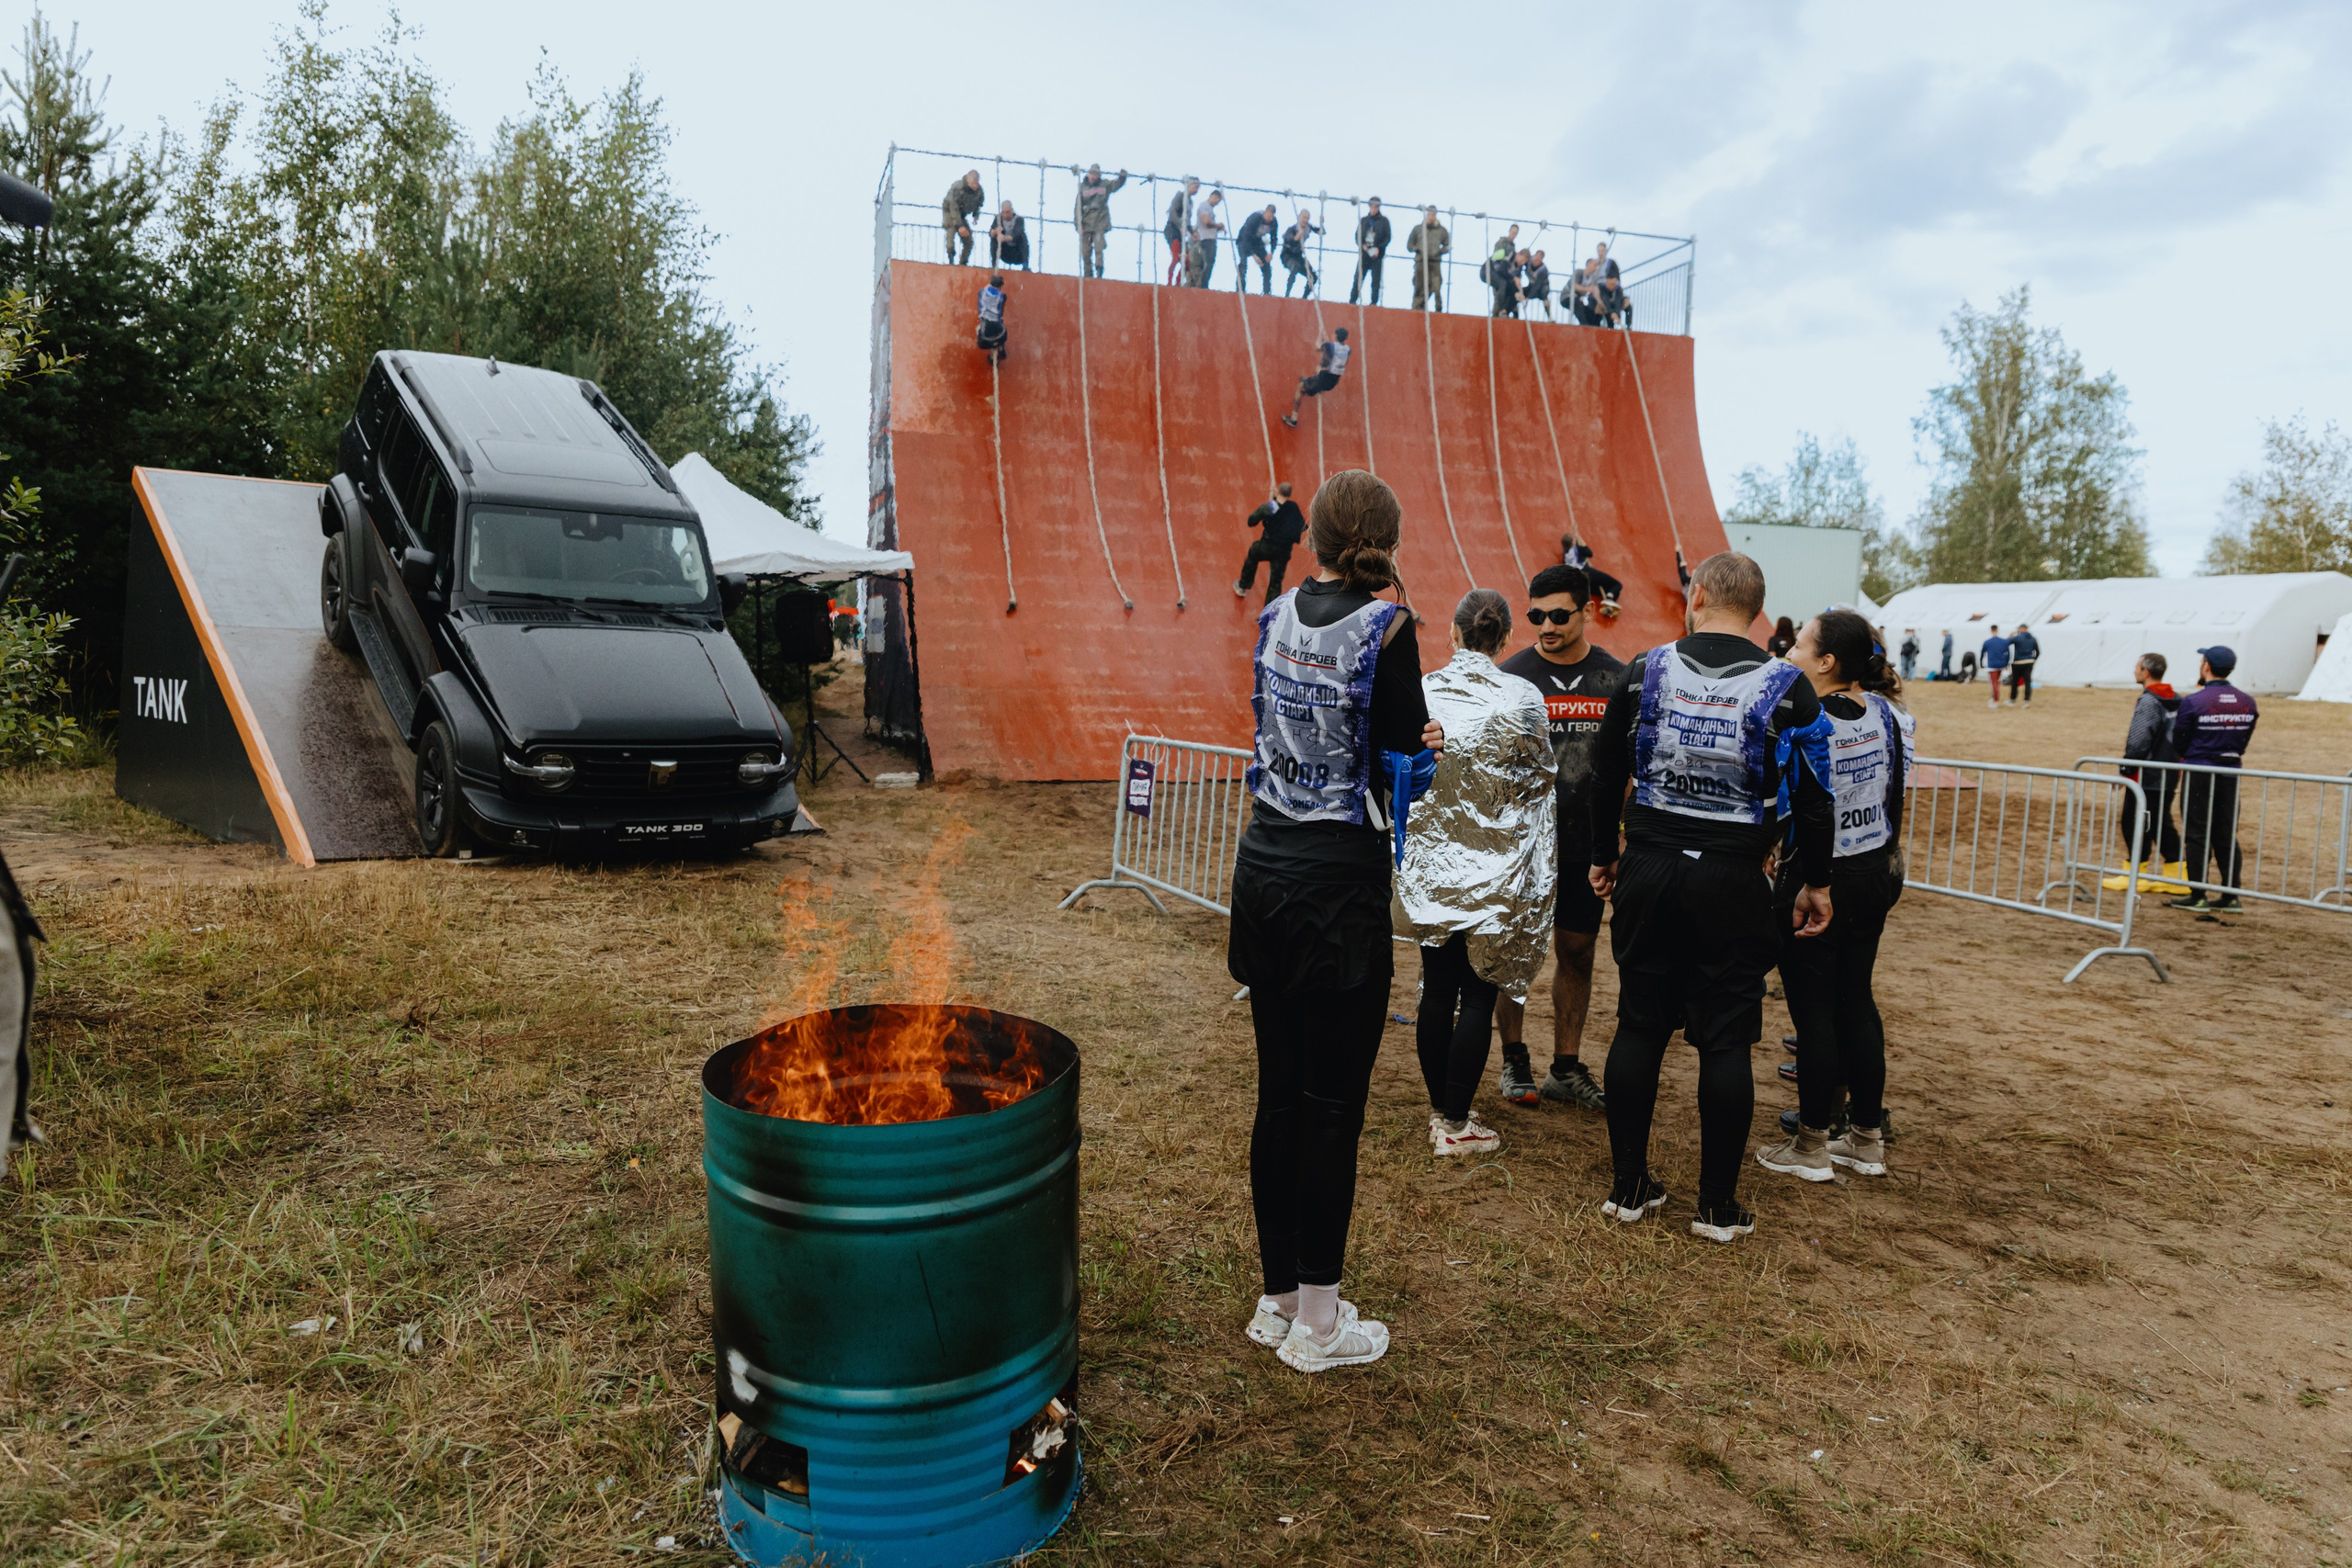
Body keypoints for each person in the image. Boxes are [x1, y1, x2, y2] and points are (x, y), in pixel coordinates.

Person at [1228, 468, 1440, 1375]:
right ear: (1385, 537)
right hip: (1335, 884)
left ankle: (1277, 1300)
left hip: (1263, 868)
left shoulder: (1275, 613)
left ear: (1310, 535)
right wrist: (1424, 752)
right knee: (1329, 1108)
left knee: (1279, 1094)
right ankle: (1318, 1323)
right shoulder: (1389, 628)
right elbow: (1402, 755)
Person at [1586, 551, 1834, 1244]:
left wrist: (1604, 855)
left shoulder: (1643, 670)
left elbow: (1605, 774)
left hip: (1652, 864)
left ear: (1695, 596)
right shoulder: (1788, 686)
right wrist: (1817, 882)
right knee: (1726, 1039)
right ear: (1758, 610)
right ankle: (1716, 1207)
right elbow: (1817, 798)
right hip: (1733, 874)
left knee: (1639, 1022)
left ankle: (1628, 1186)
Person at [1399, 590, 1557, 1157]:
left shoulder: (1423, 690)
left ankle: (1442, 1110)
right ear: (1508, 638)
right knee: (1479, 993)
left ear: (1452, 632)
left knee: (1437, 987)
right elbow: (1543, 774)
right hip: (1498, 865)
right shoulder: (1524, 695)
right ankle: (1457, 1121)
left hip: (1432, 864)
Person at [1754, 609, 1906, 1185]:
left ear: (1826, 662)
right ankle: (1865, 1136)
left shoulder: (1807, 721)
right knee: (1857, 1002)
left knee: (1814, 1012)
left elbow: (1795, 802)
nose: (1788, 653)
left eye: (1799, 646)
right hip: (1872, 873)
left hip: (1818, 878)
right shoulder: (1887, 715)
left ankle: (1813, 1142)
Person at [1493, 564, 1624, 1111]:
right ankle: (1514, 1059)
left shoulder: (1617, 680)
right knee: (1514, 954)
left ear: (1587, 611)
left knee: (1577, 951)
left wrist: (1619, 840)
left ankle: (1566, 1069)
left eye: (1558, 615)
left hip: (1585, 847)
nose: (1545, 625)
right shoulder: (1509, 678)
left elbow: (1629, 767)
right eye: (1535, 615)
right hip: (1522, 845)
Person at [2166, 646, 2258, 913]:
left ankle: (2198, 895)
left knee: (2196, 833)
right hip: (2230, 771)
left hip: (2199, 772)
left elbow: (2179, 741)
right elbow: (2245, 738)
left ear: (2206, 666)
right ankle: (2230, 895)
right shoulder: (2247, 701)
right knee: (2226, 833)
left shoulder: (2194, 701)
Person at [2119, 652, 2183, 873]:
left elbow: (2139, 738)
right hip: (2170, 770)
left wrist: (2127, 768)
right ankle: (2175, 870)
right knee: (2158, 821)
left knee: (2134, 821)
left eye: (2137, 667)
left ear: (2145, 672)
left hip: (2148, 772)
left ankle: (2138, 870)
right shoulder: (2176, 697)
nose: (2134, 671)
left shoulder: (2149, 700)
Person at [1234, 482, 1306, 604]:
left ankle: (1242, 586)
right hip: (1283, 551)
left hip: (1267, 546)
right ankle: (1270, 607)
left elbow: (1251, 521)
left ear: (1277, 491)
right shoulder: (1293, 508)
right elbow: (1301, 526)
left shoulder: (1268, 507)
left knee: (1253, 553)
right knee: (1276, 579)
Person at [1282, 327, 1350, 427]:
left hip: (1322, 380)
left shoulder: (1329, 346)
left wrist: (1320, 334)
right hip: (1333, 382)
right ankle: (1316, 387)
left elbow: (1318, 346)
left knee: (1300, 388)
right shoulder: (1347, 350)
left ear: (1335, 336)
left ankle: (1293, 419)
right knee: (1321, 368)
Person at [1071, 164, 1127, 279]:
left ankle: (1099, 271)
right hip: (1086, 224)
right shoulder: (1082, 187)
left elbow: (1116, 185)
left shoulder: (1104, 185)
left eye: (1096, 174)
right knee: (1086, 251)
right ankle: (1088, 273)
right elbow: (1078, 207)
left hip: (1100, 223)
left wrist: (1122, 177)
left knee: (1099, 248)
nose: (1093, 177)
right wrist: (1078, 225)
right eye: (1092, 174)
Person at [1407, 206, 1450, 311]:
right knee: (1419, 285)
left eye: (1433, 214)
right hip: (1421, 261)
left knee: (1436, 286)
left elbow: (1447, 245)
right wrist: (1418, 249)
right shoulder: (1418, 229)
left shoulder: (1442, 230)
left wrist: (1439, 251)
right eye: (1429, 214)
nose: (1431, 217)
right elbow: (1409, 245)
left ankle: (1438, 308)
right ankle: (1417, 307)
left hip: (1435, 262)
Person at [1349, 198, 1390, 306]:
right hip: (1365, 254)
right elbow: (1357, 236)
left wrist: (1379, 248)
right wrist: (1363, 245)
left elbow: (1387, 237)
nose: (1373, 209)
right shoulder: (1364, 220)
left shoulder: (1384, 221)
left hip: (1377, 255)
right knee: (1358, 277)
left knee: (1376, 281)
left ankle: (1373, 303)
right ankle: (1352, 301)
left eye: (1375, 206)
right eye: (1372, 206)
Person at [1236, 203, 1279, 295]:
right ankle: (1240, 288)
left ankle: (1267, 291)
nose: (1270, 219)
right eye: (1269, 216)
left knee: (1266, 265)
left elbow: (1274, 238)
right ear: (1265, 212)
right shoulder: (1255, 218)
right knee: (1243, 263)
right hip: (1244, 240)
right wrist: (1254, 255)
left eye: (1272, 217)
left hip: (1257, 242)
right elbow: (1246, 236)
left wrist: (1271, 253)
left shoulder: (1274, 222)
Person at [1573, 243, 1621, 326]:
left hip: (1606, 291)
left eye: (1602, 250)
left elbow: (1616, 278)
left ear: (1606, 251)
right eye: (1599, 251)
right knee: (1594, 312)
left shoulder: (1610, 263)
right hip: (1594, 292)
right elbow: (1589, 280)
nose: (1600, 253)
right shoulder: (1595, 264)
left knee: (1607, 310)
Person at [943, 170, 984, 265]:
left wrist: (975, 215)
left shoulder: (979, 191)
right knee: (951, 228)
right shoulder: (958, 187)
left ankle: (963, 262)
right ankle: (951, 257)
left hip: (962, 214)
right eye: (973, 183)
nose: (975, 186)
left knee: (969, 241)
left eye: (977, 183)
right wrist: (960, 225)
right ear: (967, 180)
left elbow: (979, 204)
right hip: (949, 210)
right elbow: (953, 207)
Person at [1164, 177, 1200, 287]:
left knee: (1187, 261)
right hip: (1172, 229)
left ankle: (1178, 282)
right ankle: (1169, 282)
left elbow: (1188, 221)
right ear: (1189, 185)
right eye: (1196, 187)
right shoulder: (1180, 196)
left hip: (1181, 232)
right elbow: (1172, 212)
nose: (1197, 190)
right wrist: (1180, 225)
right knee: (1176, 257)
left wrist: (1192, 231)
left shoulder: (1190, 202)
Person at [1186, 189, 1226, 288]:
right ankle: (1203, 285)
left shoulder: (1208, 208)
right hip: (1207, 239)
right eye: (1217, 200)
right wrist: (1218, 225)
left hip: (1208, 237)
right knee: (1209, 262)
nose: (1217, 203)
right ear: (1214, 197)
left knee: (1208, 262)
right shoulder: (1205, 206)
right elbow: (1206, 222)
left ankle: (1202, 284)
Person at [1280, 209, 1322, 297]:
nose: (1305, 220)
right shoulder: (1293, 228)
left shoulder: (1308, 227)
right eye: (1304, 217)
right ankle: (1287, 294)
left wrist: (1322, 223)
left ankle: (1304, 297)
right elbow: (1287, 238)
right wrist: (1295, 238)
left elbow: (1321, 232)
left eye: (1307, 218)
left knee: (1313, 277)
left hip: (1298, 256)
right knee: (1295, 267)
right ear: (1299, 217)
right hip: (1288, 255)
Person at [1487, 225, 1521, 317]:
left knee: (1506, 294)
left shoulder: (1512, 246)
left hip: (1506, 273)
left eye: (1516, 233)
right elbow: (1497, 258)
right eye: (1513, 232)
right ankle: (1495, 316)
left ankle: (1502, 314)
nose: (1514, 235)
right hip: (1498, 272)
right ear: (1509, 231)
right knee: (1499, 295)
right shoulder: (1501, 243)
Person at [975, 274, 1008, 364]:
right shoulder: (1002, 296)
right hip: (1000, 333)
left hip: (986, 336)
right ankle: (1000, 347)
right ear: (1001, 285)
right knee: (1000, 322)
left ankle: (991, 352)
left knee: (979, 330)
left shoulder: (981, 292)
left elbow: (985, 290)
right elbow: (1001, 312)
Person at [987, 202, 1030, 272]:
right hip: (1005, 252)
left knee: (1023, 237)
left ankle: (1025, 266)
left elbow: (1017, 234)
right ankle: (994, 265)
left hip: (1017, 253)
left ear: (1012, 210)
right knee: (994, 239)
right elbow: (991, 233)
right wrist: (996, 232)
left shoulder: (1019, 220)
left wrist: (1004, 238)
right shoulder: (998, 219)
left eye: (1008, 212)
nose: (1005, 215)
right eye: (1003, 212)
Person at [2006, 622, 2039, 704]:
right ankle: (2027, 700)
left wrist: (2010, 637)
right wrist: (2033, 660)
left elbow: (2007, 643)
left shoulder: (2017, 638)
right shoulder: (2033, 638)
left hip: (2018, 662)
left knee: (2015, 681)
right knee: (2027, 681)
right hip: (2029, 662)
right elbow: (2038, 651)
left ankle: (2013, 699)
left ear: (2022, 629)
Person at [1979, 626, 2010, 707]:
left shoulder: (1987, 642)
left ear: (1991, 630)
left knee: (1994, 683)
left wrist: (1981, 663)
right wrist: (2006, 663)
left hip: (1992, 665)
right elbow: (2007, 653)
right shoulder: (2003, 641)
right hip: (2001, 664)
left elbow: (1982, 653)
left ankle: (1995, 700)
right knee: (1997, 682)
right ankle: (1994, 698)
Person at [1524, 249, 1554, 321]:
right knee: (1518, 292)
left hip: (1542, 286)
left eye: (1539, 259)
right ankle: (1515, 314)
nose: (1536, 261)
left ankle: (1549, 316)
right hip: (1531, 285)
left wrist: (1528, 297)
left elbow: (1537, 284)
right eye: (1536, 258)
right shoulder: (1527, 261)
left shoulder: (1543, 269)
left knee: (1544, 294)